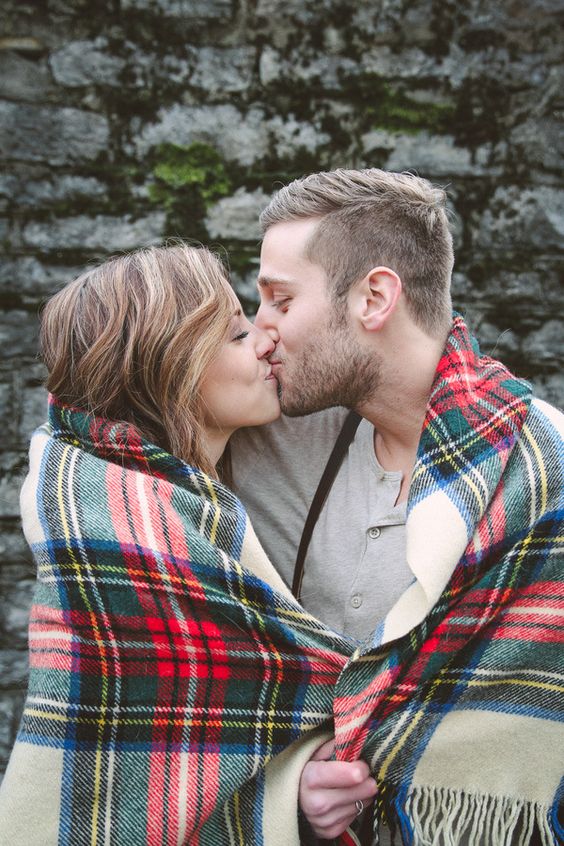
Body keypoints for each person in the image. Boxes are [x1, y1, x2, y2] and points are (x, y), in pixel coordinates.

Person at [0, 243, 378, 845]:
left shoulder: (199, 500)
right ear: (167, 366)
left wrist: (291, 795)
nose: (264, 341)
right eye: (234, 335)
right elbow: (122, 778)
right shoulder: (111, 529)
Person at [230, 169, 564, 845]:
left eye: (280, 301)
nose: (260, 332)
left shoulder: (546, 469)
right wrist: (288, 792)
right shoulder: (262, 436)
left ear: (374, 298)